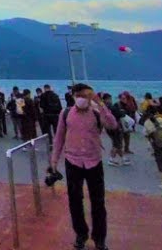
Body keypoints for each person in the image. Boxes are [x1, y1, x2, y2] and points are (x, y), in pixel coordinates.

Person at [51, 83, 118, 250]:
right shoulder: (66, 113)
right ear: (73, 96)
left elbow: (112, 124)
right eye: (78, 95)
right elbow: (59, 137)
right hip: (72, 161)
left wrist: (100, 103)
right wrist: (54, 160)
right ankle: (81, 234)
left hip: (93, 161)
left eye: (84, 95)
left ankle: (99, 238)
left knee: (98, 202)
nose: (81, 98)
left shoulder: (97, 113)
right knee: (75, 201)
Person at [102, 93, 129, 166]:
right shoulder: (111, 107)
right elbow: (120, 114)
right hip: (115, 127)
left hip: (108, 128)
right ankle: (111, 159)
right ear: (106, 99)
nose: (110, 100)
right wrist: (122, 112)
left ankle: (123, 158)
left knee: (117, 143)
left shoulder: (102, 107)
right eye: (109, 99)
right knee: (116, 144)